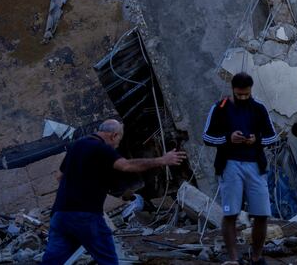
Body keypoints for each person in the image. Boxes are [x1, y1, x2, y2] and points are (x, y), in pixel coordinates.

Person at [41, 119, 186, 265]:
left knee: (53, 261)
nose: (117, 146)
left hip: (59, 214)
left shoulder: (77, 145)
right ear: (113, 135)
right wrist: (162, 160)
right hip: (85, 214)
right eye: (119, 140)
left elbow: (60, 176)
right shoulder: (101, 148)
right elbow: (126, 166)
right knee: (108, 259)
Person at [203, 73, 278, 265]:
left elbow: (273, 137)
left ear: (251, 90)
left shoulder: (259, 108)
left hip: (255, 165)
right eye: (239, 94)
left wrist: (256, 140)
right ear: (233, 90)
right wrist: (228, 138)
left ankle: (256, 257)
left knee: (261, 214)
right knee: (230, 213)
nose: (243, 97)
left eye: (246, 94)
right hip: (230, 165)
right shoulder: (219, 108)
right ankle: (234, 259)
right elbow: (207, 137)